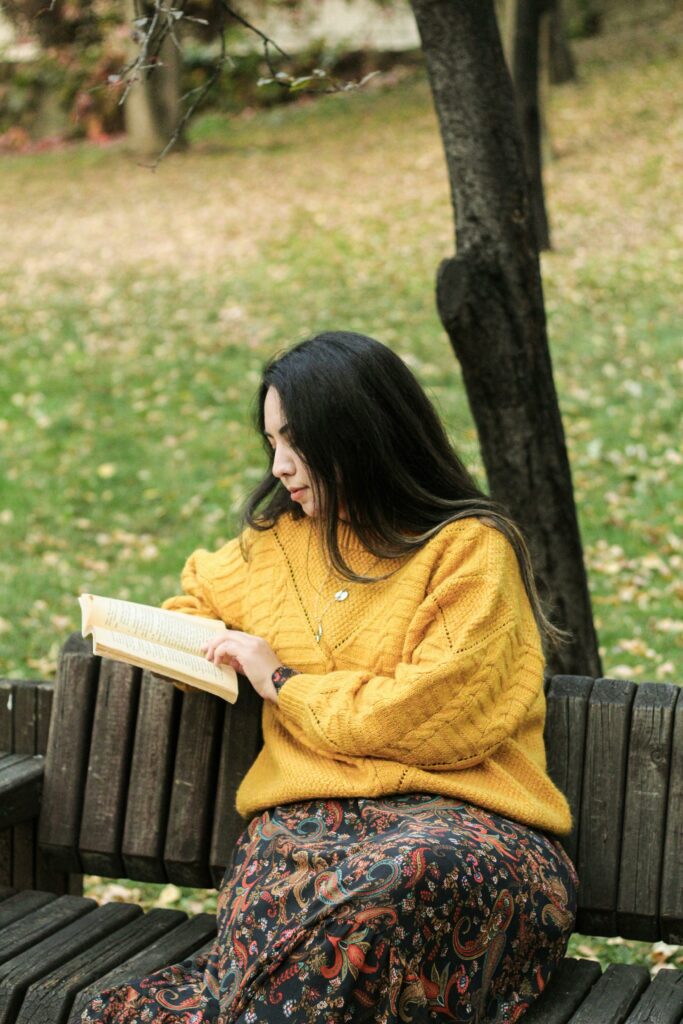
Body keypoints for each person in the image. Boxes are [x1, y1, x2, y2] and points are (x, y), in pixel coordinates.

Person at [81, 331, 578, 1024]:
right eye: (271, 444)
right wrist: (208, 641)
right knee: (310, 899)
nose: (280, 466)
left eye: (297, 442)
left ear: (361, 434)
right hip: (302, 838)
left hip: (467, 833)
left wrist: (281, 681)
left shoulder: (468, 550)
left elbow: (434, 722)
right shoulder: (275, 546)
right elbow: (196, 594)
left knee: (402, 876)